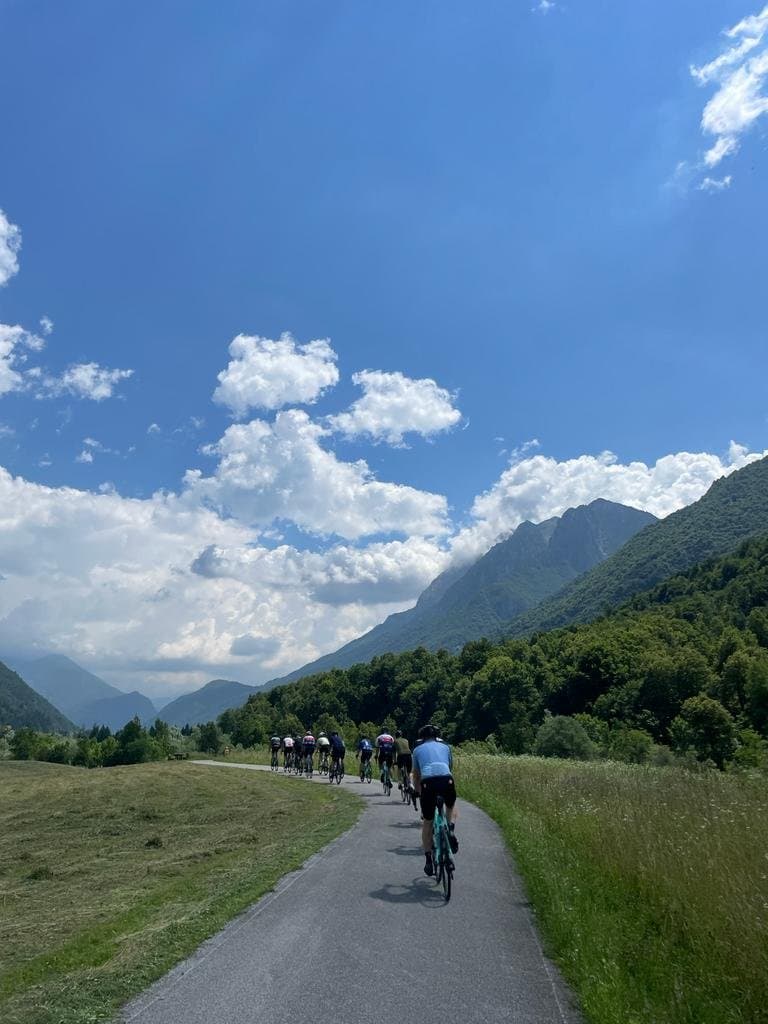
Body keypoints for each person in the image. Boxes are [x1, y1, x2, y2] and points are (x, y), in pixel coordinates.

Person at [412, 723, 458, 877]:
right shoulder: (445, 747)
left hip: (428, 783)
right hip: (446, 780)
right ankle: (450, 828)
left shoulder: (417, 750)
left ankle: (428, 861)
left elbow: (416, 775)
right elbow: (450, 768)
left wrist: (418, 792)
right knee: (450, 805)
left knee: (428, 822)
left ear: (422, 737)